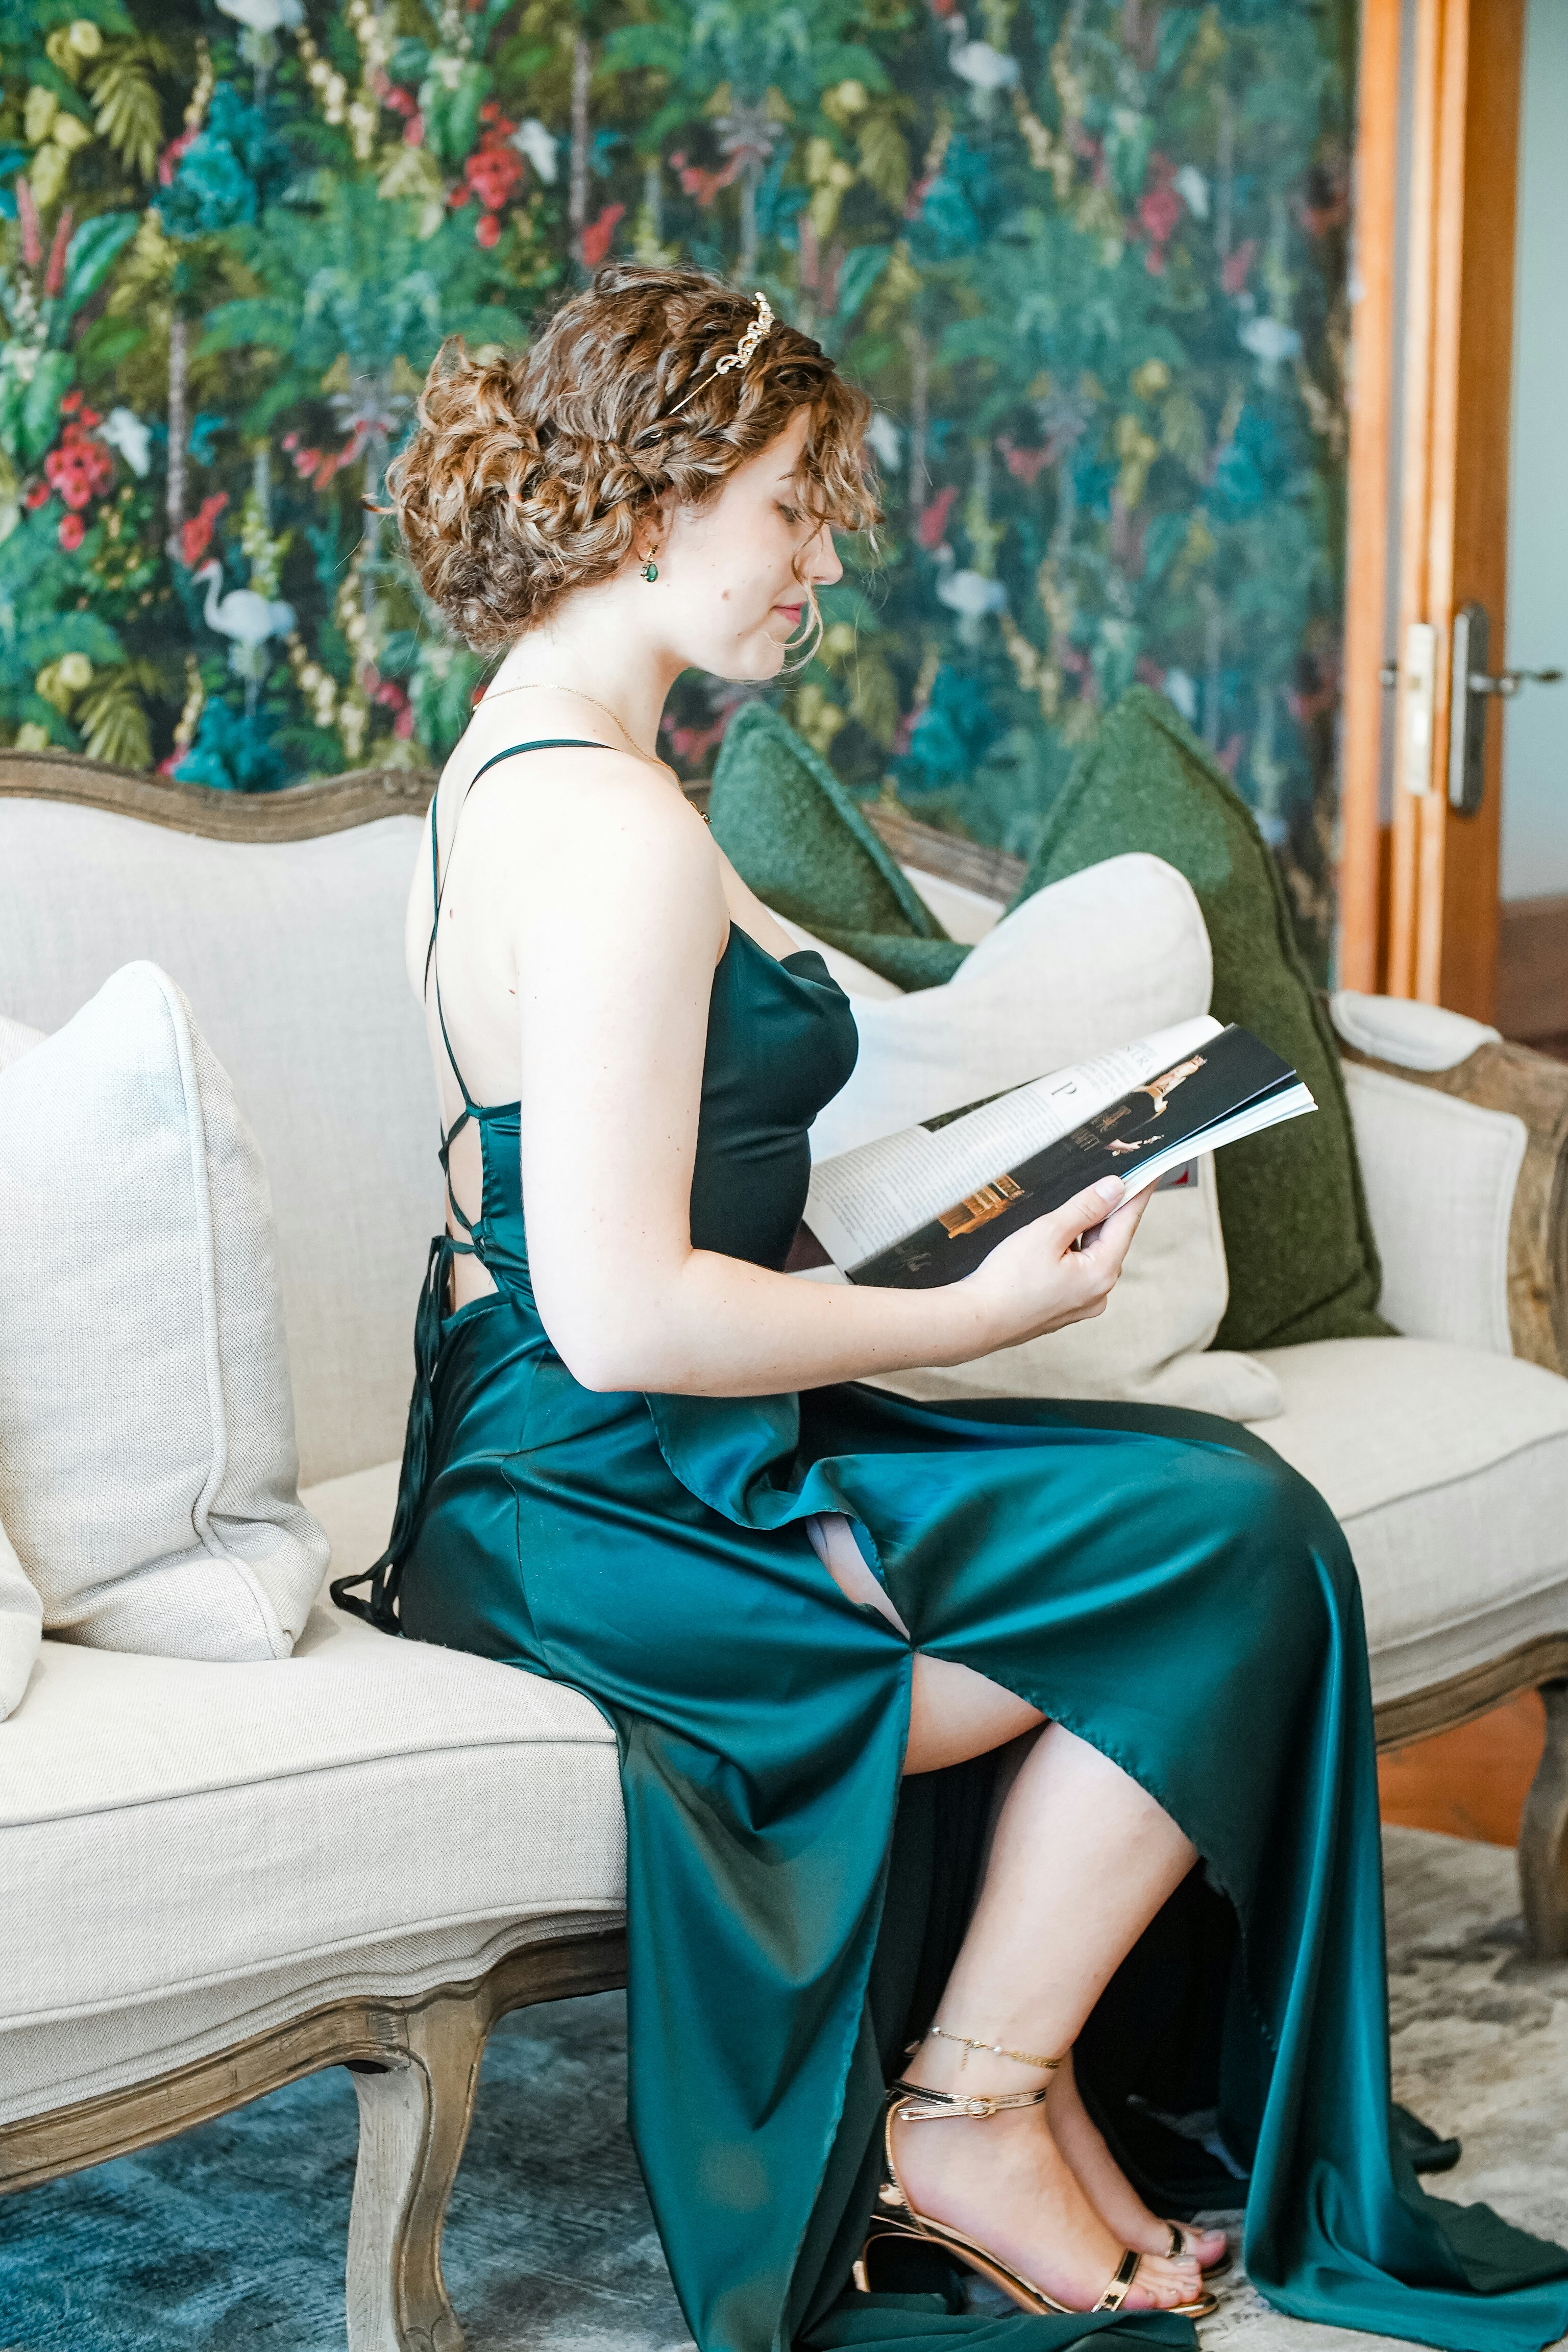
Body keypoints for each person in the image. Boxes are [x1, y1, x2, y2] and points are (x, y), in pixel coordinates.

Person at [339, 263, 1568, 2352]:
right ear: (663, 501)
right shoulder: (620, 832)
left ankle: (1028, 2076)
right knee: (1221, 1548)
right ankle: (968, 2107)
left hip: (580, 1434)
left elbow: (594, 1181)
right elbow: (628, 1309)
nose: (826, 567)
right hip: (621, 1465)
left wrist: (1049, 1155)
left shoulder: (522, 767)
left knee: (1208, 1513)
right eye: (801, 512)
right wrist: (969, 1316)